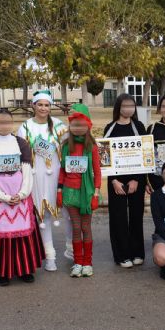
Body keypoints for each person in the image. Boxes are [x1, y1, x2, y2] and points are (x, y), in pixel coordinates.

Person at [0, 108, 44, 286]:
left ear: (12, 123)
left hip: (20, 193)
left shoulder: (22, 143)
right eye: (1, 122)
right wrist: (2, 196)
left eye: (8, 122)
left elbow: (27, 170)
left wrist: (23, 193)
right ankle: (2, 271)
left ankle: (24, 269)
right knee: (2, 235)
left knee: (23, 234)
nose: (4, 126)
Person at [17, 90, 72, 271]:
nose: (43, 108)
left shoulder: (58, 125)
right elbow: (20, 154)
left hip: (58, 175)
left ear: (50, 107)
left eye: (47, 105)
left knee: (68, 213)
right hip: (36, 176)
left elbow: (71, 145)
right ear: (33, 106)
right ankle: (50, 256)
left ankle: (71, 249)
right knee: (43, 215)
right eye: (40, 104)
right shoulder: (25, 127)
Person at [57, 104, 102, 278]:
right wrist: (59, 191)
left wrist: (96, 194)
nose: (78, 128)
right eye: (74, 125)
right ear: (70, 126)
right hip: (70, 192)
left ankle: (88, 263)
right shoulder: (66, 146)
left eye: (81, 124)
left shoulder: (92, 147)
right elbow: (62, 170)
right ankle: (78, 262)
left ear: (88, 125)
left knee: (86, 227)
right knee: (76, 228)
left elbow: (97, 172)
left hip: (87, 192)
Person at [103, 93, 148, 268]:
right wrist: (114, 181)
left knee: (136, 216)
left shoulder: (139, 126)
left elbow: (145, 154)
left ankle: (137, 252)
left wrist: (137, 179)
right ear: (118, 108)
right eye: (125, 106)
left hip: (137, 178)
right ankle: (122, 255)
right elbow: (104, 156)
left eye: (131, 106)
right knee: (118, 217)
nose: (128, 109)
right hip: (116, 180)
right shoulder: (109, 127)